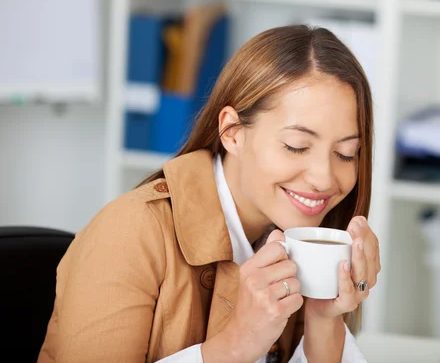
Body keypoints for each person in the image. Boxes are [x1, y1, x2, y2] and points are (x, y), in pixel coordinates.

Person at [38, 24, 381, 363]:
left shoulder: (300, 244)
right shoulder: (129, 232)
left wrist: (324, 322)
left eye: (346, 153)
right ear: (232, 132)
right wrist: (235, 346)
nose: (324, 178)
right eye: (296, 146)